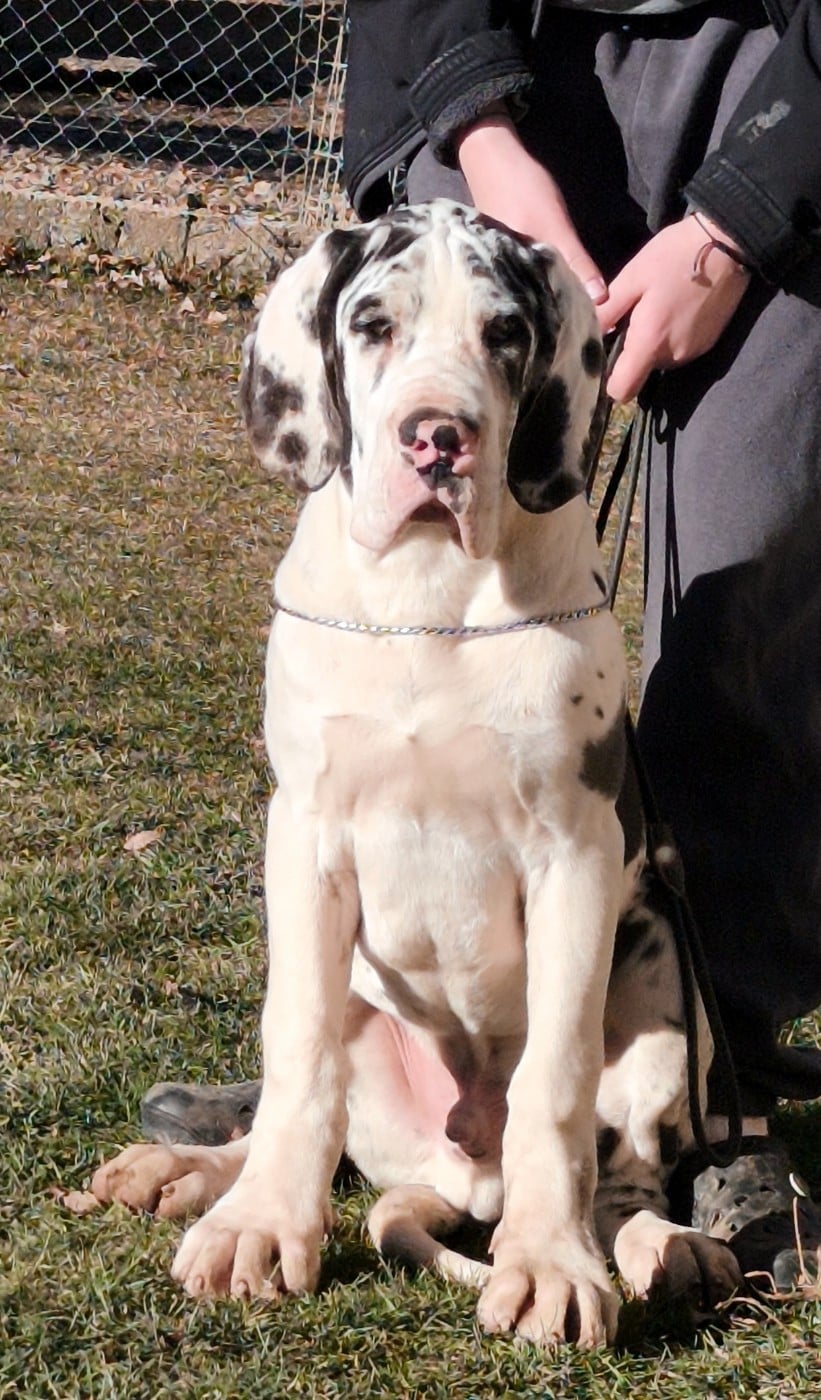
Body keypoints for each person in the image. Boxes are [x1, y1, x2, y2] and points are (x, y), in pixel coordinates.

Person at [142, 0, 821, 1290]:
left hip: (778, 68)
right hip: (499, 55)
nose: (433, 414)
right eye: (381, 338)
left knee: (753, 543)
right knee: (341, 771)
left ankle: (701, 1099)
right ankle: (308, 1113)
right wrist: (486, 140)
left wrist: (740, 217)